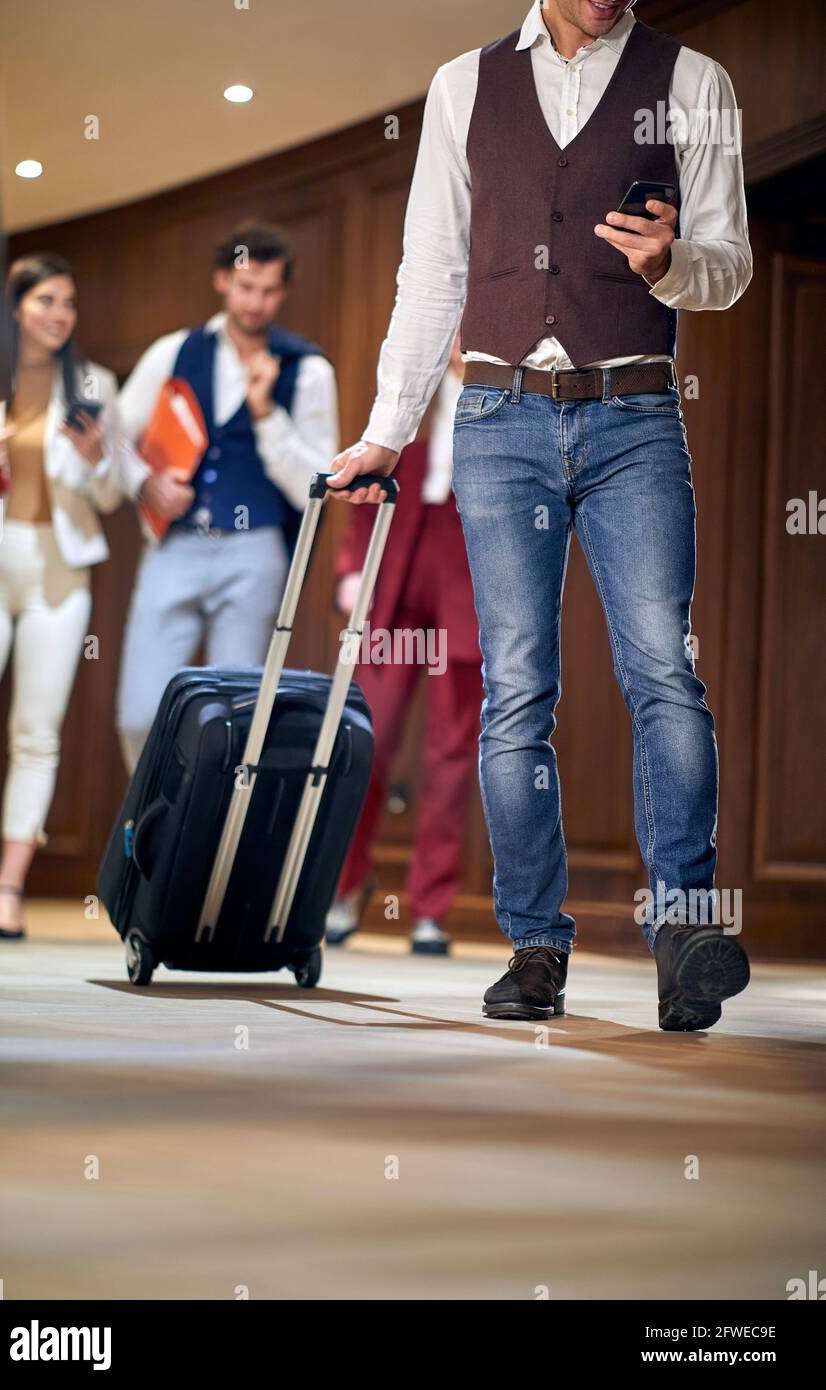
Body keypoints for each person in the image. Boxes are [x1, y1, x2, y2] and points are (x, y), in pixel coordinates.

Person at [325, 0, 753, 1031]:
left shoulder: (691, 80)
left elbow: (728, 263)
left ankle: (686, 927)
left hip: (635, 411)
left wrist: (669, 263)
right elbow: (429, 270)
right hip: (495, 416)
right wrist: (387, 428)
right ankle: (532, 944)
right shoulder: (462, 87)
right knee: (516, 682)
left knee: (661, 664)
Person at [0, 253, 148, 938]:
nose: (59, 314)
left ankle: (9, 888)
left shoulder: (95, 383)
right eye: (45, 300)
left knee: (36, 734)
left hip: (61, 574)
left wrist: (101, 456)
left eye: (68, 302)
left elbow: (110, 494)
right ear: (15, 307)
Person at [115, 224, 339, 772]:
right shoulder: (173, 352)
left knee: (232, 722)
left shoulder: (308, 370)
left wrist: (266, 416)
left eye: (267, 290)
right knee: (139, 714)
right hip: (175, 547)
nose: (255, 302)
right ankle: (154, 835)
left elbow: (316, 486)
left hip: (254, 553)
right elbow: (113, 435)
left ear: (283, 292)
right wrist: (144, 483)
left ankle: (214, 848)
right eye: (245, 287)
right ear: (221, 280)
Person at [326, 332, 483, 955]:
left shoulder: (510, 398)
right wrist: (349, 567)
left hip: (468, 572)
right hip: (398, 565)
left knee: (450, 750)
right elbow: (369, 480)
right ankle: (345, 886)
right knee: (367, 735)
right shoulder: (408, 389)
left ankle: (431, 908)